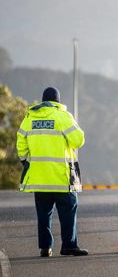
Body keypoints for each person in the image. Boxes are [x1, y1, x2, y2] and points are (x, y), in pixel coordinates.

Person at [15, 87, 88, 257]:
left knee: (43, 214)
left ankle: (45, 247)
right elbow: (78, 140)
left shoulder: (29, 118)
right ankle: (69, 246)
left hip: (39, 178)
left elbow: (21, 144)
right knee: (68, 211)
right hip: (61, 177)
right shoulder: (62, 116)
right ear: (58, 101)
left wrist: (27, 161)